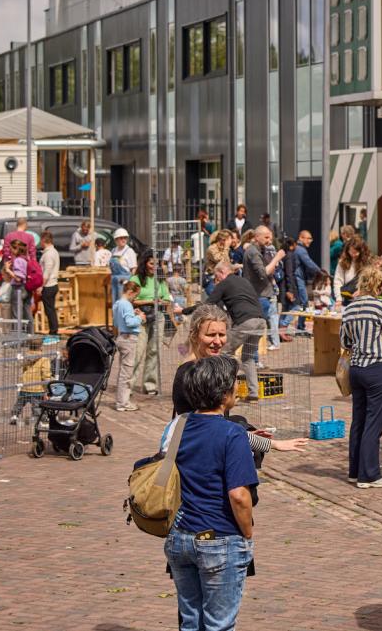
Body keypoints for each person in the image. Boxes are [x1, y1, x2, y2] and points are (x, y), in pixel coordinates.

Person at [165, 354, 259, 631]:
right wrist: (247, 534)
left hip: (180, 537)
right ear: (224, 393)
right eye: (234, 384)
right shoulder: (232, 434)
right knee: (219, 625)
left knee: (191, 622)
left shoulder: (177, 427)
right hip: (219, 538)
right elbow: (239, 495)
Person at [340, 268, 382, 488]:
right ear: (379, 287)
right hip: (375, 367)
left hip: (356, 369)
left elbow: (345, 341)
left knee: (358, 420)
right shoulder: (378, 306)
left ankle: (355, 470)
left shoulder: (350, 308)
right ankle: (369, 475)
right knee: (375, 421)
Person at [206, 261, 268, 397]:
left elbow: (209, 303)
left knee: (223, 352)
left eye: (217, 278)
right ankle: (253, 393)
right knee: (248, 357)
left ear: (222, 272)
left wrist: (185, 311)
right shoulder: (243, 281)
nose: (217, 281)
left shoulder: (225, 283)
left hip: (246, 322)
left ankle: (226, 390)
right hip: (260, 321)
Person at [132, 255, 180, 398]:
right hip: (141, 317)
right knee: (138, 352)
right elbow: (131, 298)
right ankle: (128, 385)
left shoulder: (160, 279)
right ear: (145, 263)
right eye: (151, 263)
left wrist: (159, 301)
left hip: (158, 317)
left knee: (154, 351)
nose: (154, 266)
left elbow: (167, 299)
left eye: (156, 264)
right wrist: (148, 301)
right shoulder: (136, 279)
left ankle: (150, 384)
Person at [243, 227, 284, 347]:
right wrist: (277, 257)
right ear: (256, 237)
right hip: (259, 295)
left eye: (270, 238)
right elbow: (263, 273)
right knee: (256, 330)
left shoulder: (260, 250)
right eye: (266, 237)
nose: (269, 241)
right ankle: (253, 360)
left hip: (265, 294)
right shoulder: (253, 252)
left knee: (262, 327)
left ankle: (255, 358)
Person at [113, 281, 146, 411]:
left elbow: (117, 321)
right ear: (130, 292)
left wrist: (133, 313)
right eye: (135, 296)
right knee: (127, 373)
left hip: (121, 337)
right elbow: (129, 322)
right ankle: (122, 403)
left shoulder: (117, 303)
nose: (135, 299)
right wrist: (140, 318)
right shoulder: (126, 304)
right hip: (129, 338)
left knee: (123, 371)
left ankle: (121, 400)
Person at [38, 231, 62, 335]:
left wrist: (40, 286)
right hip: (53, 284)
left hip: (48, 285)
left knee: (49, 310)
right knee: (51, 309)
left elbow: (46, 272)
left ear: (44, 240)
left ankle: (53, 331)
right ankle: (54, 330)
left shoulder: (49, 254)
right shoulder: (53, 251)